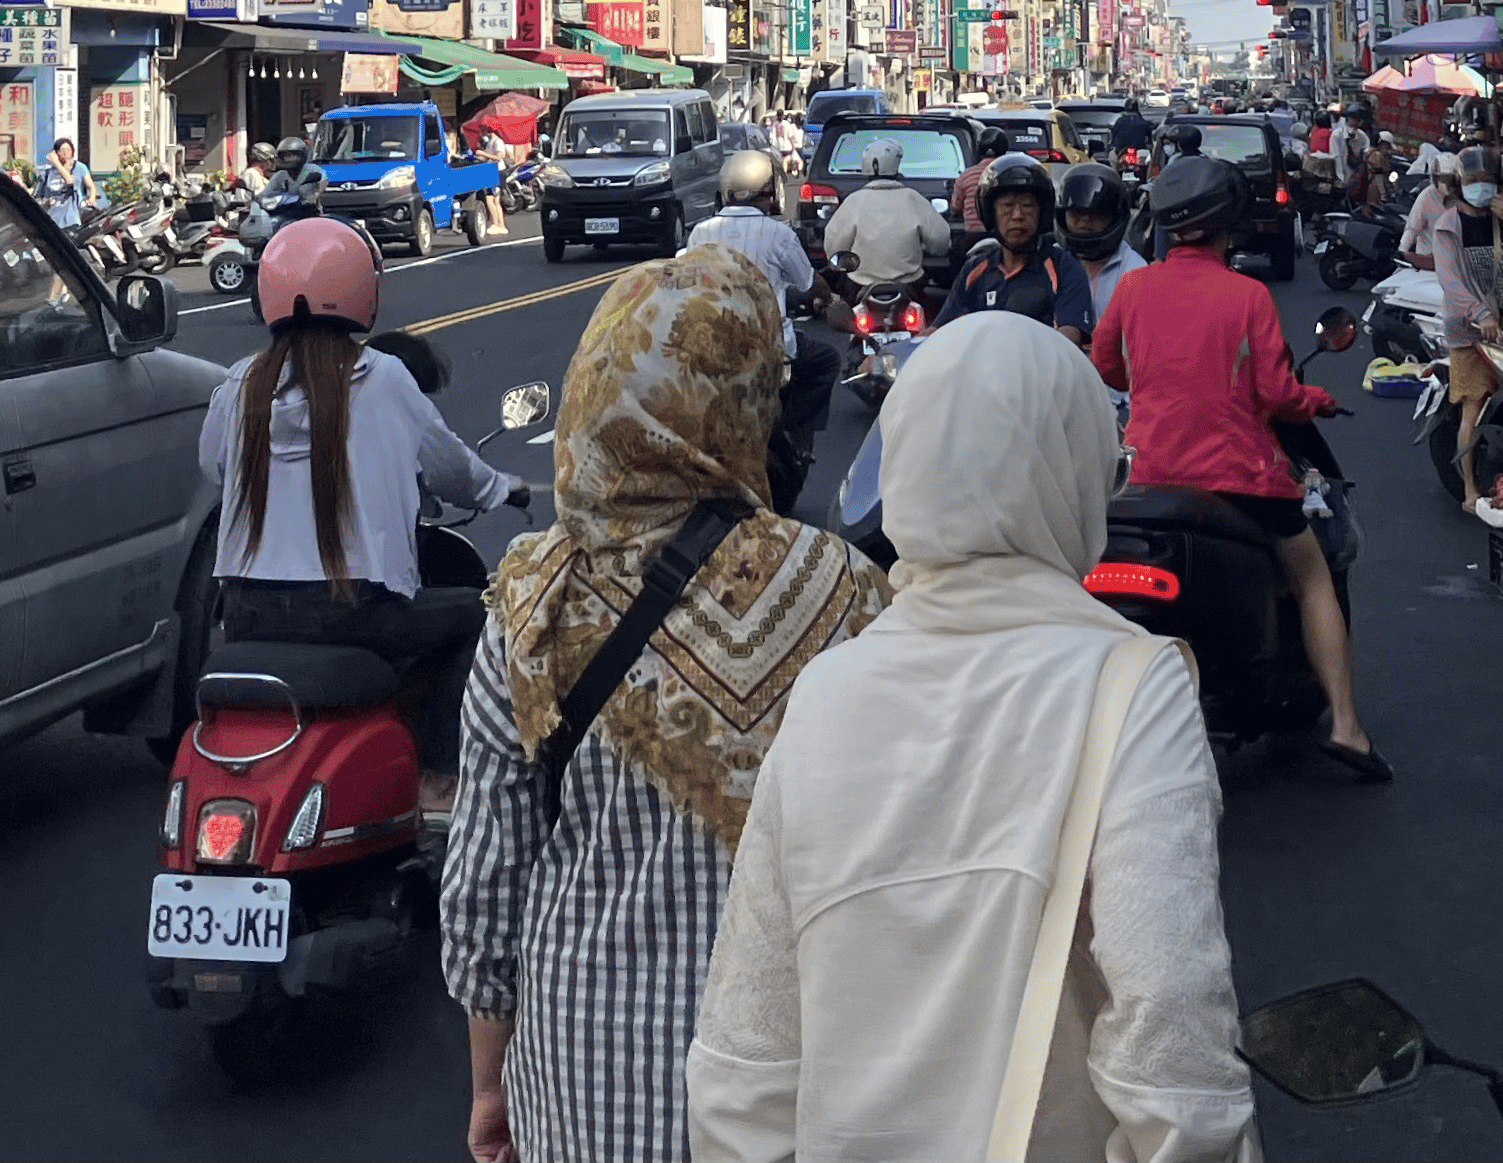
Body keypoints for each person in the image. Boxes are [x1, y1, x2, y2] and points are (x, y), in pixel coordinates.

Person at [688, 312, 1255, 1163]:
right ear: (1074, 468)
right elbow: (1172, 1033)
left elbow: (748, 1048)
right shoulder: (1131, 685)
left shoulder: (824, 694)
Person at [445, 250, 885, 1163]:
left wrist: (489, 1086)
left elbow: (486, 887)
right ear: (749, 398)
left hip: (577, 1081)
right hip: (791, 1080)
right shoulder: (840, 590)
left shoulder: (531, 597)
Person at [198, 218, 523, 807]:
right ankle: (438, 775)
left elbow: (215, 468)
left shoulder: (240, 383)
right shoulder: (382, 377)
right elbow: (454, 470)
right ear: (363, 293)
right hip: (350, 613)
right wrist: (505, 488)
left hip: (246, 614)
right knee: (483, 616)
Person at [1091, 154, 1383, 778]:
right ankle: (1347, 727)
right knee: (1314, 576)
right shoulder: (1248, 294)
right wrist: (1316, 401)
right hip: (1240, 477)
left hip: (1146, 479)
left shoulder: (1134, 288)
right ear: (1230, 223)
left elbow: (1107, 367)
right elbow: (1276, 395)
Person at [1403, 145, 1503, 511]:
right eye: (1473, 180)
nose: (1480, 186)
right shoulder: (1447, 225)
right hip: (1470, 332)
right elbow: (1451, 281)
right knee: (1474, 406)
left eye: (1487, 180)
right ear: (1460, 184)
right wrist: (1481, 315)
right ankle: (1470, 488)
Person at [690, 151, 831, 505]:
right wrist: (825, 296)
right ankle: (794, 431)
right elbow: (809, 284)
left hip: (710, 346)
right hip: (771, 348)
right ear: (770, 190)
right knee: (826, 360)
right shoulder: (778, 234)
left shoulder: (700, 232)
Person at [945, 156, 1094, 348]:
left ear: (1042, 212)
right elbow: (940, 329)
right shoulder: (975, 269)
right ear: (990, 213)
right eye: (1007, 206)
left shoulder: (1064, 268)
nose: (1017, 216)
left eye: (1027, 206)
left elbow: (1069, 337)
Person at [822, 140, 953, 293]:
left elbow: (834, 246)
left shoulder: (854, 201)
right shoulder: (913, 199)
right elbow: (941, 239)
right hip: (909, 283)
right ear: (896, 164)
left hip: (860, 284)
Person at [1056, 160, 1147, 324]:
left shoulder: (1134, 271)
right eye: (1077, 212)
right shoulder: (1050, 261)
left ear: (1114, 218)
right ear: (1063, 214)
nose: (1085, 220)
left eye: (1096, 213)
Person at [947, 126, 1015, 237]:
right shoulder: (1010, 173)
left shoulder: (966, 175)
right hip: (1003, 235)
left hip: (973, 236)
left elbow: (956, 208)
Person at [38, 135, 94, 229]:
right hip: (52, 220)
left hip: (71, 220)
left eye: (68, 150)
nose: (65, 153)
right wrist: (46, 203)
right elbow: (38, 198)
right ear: (56, 152)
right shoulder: (47, 173)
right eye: (62, 150)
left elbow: (70, 181)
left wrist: (91, 198)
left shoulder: (77, 168)